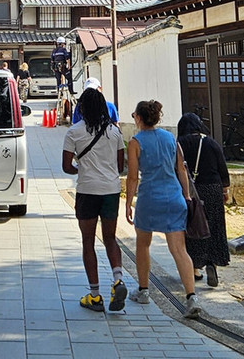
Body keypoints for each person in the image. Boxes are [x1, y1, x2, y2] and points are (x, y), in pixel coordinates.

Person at [125, 99, 202, 319]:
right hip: (173, 196)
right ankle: (191, 297)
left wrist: (128, 202)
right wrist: (186, 195)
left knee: (143, 243)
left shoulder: (135, 142)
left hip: (149, 198)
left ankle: (143, 290)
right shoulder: (171, 138)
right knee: (179, 249)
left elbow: (132, 178)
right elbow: (181, 170)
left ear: (139, 118)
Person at [62, 84, 128, 313]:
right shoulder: (114, 132)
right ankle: (118, 279)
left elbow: (66, 166)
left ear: (82, 108)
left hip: (87, 190)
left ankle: (95, 295)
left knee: (88, 241)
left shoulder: (74, 132)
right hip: (110, 190)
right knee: (110, 238)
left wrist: (82, 169)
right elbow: (120, 166)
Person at [177, 112, 231, 287]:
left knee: (192, 228)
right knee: (214, 227)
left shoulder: (180, 144)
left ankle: (194, 269)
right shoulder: (210, 142)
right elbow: (222, 166)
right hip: (213, 189)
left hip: (191, 191)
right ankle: (212, 264)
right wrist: (225, 189)